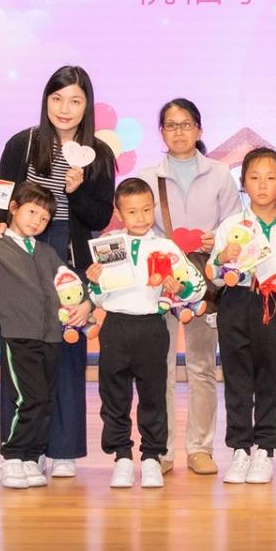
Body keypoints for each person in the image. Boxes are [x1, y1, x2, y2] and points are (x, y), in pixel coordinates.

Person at [0, 66, 115, 479]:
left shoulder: (98, 153)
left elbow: (100, 216)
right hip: (22, 259)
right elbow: (1, 202)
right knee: (23, 353)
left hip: (69, 256)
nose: (65, 108)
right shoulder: (22, 144)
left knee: (67, 351)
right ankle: (20, 452)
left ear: (87, 106)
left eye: (75, 101)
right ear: (46, 100)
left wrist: (76, 192)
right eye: (58, 98)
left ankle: (62, 449)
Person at [132, 98, 238, 476]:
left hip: (204, 282)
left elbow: (235, 227)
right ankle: (160, 450)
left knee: (202, 365)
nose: (179, 132)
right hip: (160, 282)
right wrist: (162, 252)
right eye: (171, 125)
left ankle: (200, 448)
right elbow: (137, 227)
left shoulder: (220, 174)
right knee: (157, 368)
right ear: (161, 132)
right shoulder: (148, 177)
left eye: (186, 124)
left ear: (199, 129)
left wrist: (217, 239)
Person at [86, 178, 204, 490]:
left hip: (152, 327)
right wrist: (94, 281)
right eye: (132, 211)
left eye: (147, 209)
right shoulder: (109, 245)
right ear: (118, 213)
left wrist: (180, 287)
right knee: (114, 395)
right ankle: (122, 457)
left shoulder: (166, 247)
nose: (141, 217)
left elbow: (196, 287)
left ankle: (152, 456)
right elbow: (98, 297)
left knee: (154, 394)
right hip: (115, 327)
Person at [0, 183, 86, 491]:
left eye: (44, 218)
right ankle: (11, 457)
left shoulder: (46, 252)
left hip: (51, 336)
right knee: (28, 398)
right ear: (14, 208)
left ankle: (31, 457)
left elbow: (69, 282)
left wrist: (87, 300)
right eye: (32, 212)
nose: (37, 221)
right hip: (19, 335)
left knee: (44, 399)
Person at [210, 147, 276, 485]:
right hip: (236, 302)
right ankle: (240, 450)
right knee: (236, 377)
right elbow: (214, 273)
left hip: (273, 303)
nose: (262, 185)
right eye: (254, 177)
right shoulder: (231, 225)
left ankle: (264, 449)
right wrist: (223, 257)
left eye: (270, 178)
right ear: (243, 182)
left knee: (269, 376)